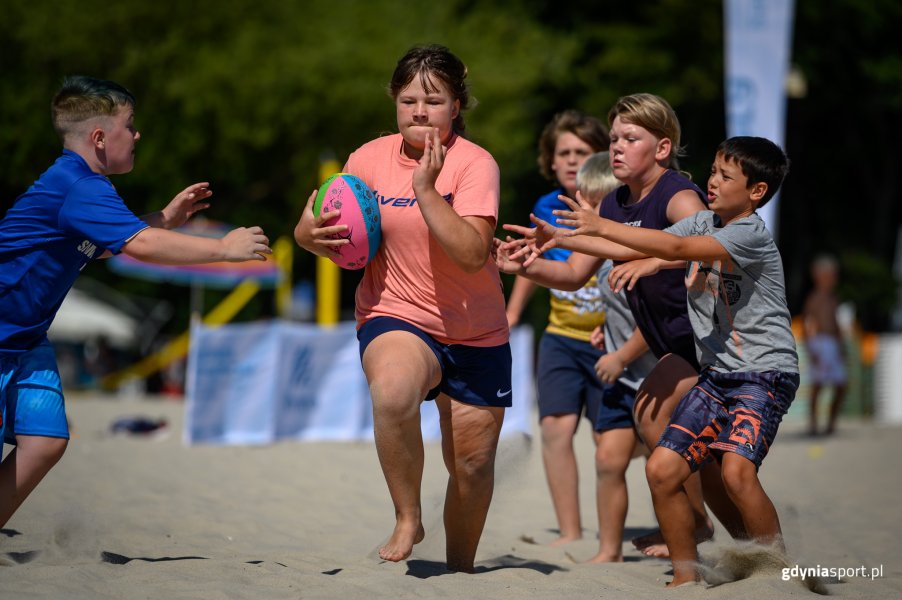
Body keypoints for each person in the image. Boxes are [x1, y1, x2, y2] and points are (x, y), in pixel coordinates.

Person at [0, 75, 271, 528]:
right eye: (131, 124)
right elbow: (138, 246)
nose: (138, 134)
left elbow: (104, 244)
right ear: (100, 137)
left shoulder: (79, 185)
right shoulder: (80, 186)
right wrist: (224, 249)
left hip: (24, 339)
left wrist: (164, 218)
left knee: (44, 442)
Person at [294, 45, 510, 573]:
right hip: (396, 313)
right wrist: (317, 236)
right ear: (395, 100)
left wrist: (425, 190)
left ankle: (460, 571)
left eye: (433, 101)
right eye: (409, 99)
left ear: (456, 106)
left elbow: (471, 252)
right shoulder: (366, 158)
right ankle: (408, 515)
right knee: (391, 393)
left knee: (473, 467)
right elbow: (305, 231)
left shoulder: (474, 164)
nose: (419, 111)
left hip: (476, 331)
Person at [497, 93, 738, 558]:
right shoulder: (612, 204)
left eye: (631, 137)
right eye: (614, 139)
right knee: (672, 442)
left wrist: (651, 261)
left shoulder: (678, 195)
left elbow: (711, 248)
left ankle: (726, 542)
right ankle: (716, 537)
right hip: (668, 347)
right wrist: (521, 267)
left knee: (708, 460)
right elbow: (571, 273)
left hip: (704, 345)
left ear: (662, 148)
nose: (618, 147)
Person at [557, 135, 798, 586]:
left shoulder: (748, 233)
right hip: (718, 375)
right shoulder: (705, 220)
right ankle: (686, 579)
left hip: (764, 374)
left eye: (725, 177)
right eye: (712, 171)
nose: (712, 181)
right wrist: (561, 237)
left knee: (736, 473)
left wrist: (605, 228)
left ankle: (778, 578)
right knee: (662, 468)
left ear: (756, 192)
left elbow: (678, 251)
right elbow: (648, 245)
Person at [505, 111, 611, 550]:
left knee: (613, 443)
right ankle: (570, 533)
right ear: (550, 160)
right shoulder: (546, 207)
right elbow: (533, 264)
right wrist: (511, 314)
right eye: (563, 152)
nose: (571, 161)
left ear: (601, 158)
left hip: (615, 341)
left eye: (581, 152)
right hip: (562, 337)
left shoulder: (620, 205)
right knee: (554, 428)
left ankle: (618, 534)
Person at [802, 254, 847, 436]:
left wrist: (841, 347)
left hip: (833, 345)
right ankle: (814, 424)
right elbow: (807, 324)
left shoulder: (831, 298)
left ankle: (830, 423)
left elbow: (835, 325)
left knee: (840, 385)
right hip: (821, 344)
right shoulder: (815, 298)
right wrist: (812, 348)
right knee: (818, 385)